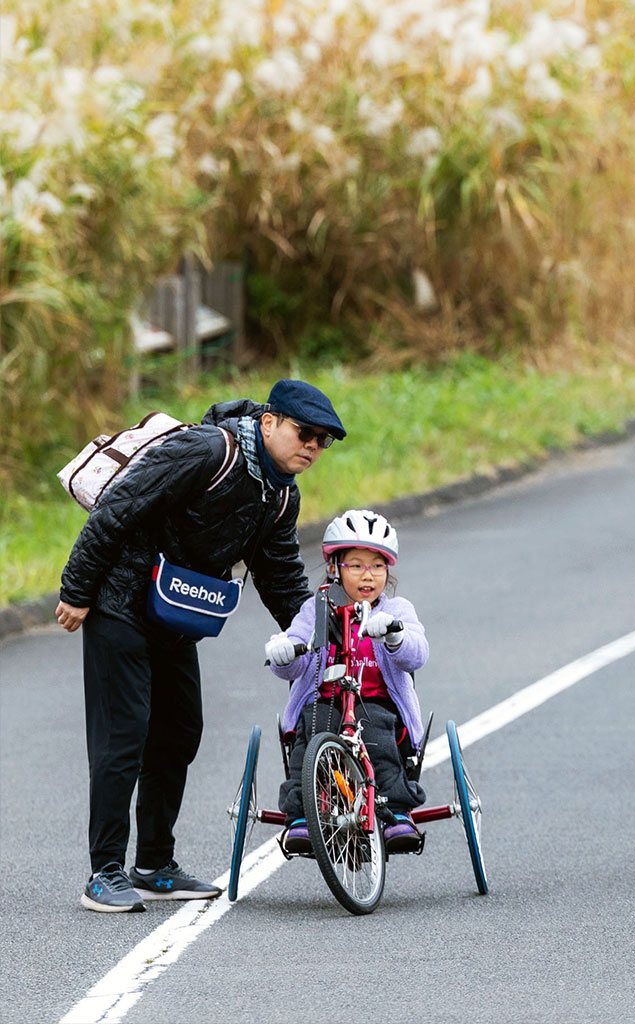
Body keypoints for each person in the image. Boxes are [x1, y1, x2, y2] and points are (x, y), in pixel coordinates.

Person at [57, 379, 343, 912]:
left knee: (181, 729)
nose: (312, 447)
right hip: (118, 602)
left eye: (324, 441)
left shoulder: (280, 494)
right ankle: (104, 873)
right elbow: (120, 507)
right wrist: (77, 589)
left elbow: (279, 575)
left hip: (172, 614)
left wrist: (318, 639)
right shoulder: (208, 450)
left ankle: (154, 866)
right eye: (305, 432)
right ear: (269, 421)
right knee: (125, 734)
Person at [265, 511, 428, 855]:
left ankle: (396, 811)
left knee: (378, 736)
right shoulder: (317, 609)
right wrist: (284, 654)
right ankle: (298, 817)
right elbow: (297, 657)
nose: (368, 576)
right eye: (356, 566)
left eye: (377, 567)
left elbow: (417, 654)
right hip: (324, 702)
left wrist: (395, 636)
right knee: (308, 738)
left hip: (375, 703)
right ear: (334, 569)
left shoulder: (397, 609)